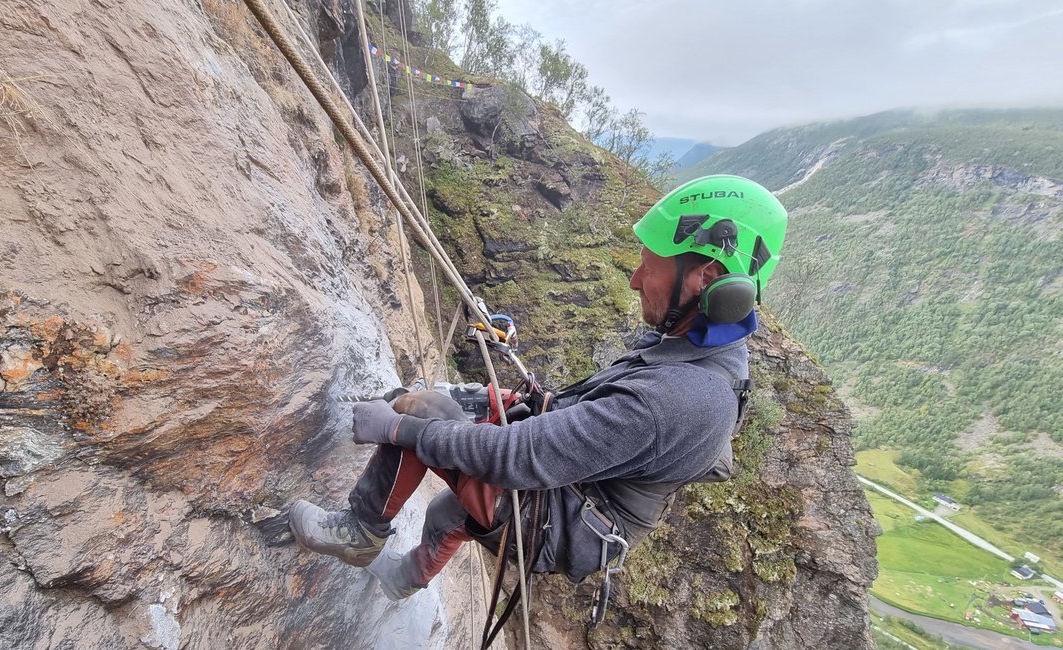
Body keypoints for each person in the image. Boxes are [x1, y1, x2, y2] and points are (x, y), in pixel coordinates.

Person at [289, 175, 787, 601]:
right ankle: (404, 580)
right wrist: (522, 402)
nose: (636, 281)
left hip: (570, 527)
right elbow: (595, 419)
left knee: (422, 407)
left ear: (708, 278)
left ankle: (360, 531)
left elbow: (515, 457)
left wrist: (399, 427)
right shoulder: (696, 345)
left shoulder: (680, 398)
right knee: (449, 510)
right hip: (585, 493)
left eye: (650, 268)